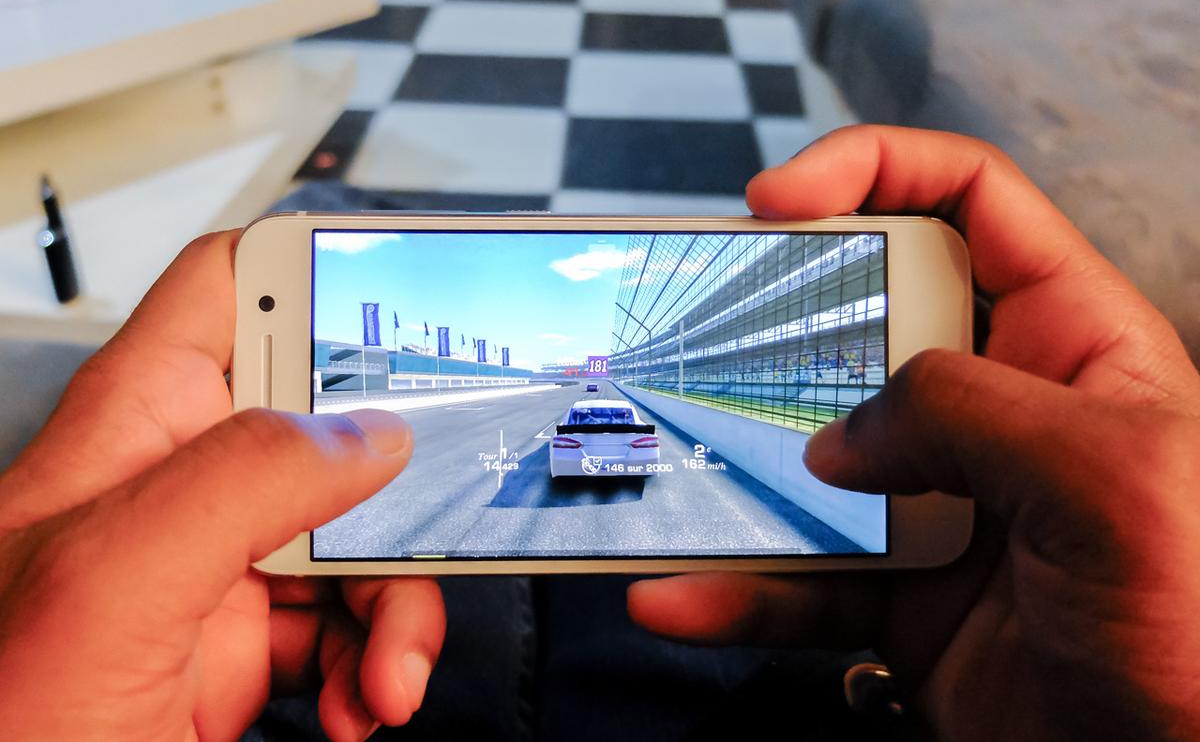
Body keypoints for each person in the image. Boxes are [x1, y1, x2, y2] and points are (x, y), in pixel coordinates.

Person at [0, 125, 1197, 742]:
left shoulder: (585, 421)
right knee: (606, 601)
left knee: (518, 592)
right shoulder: (606, 422)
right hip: (819, 702)